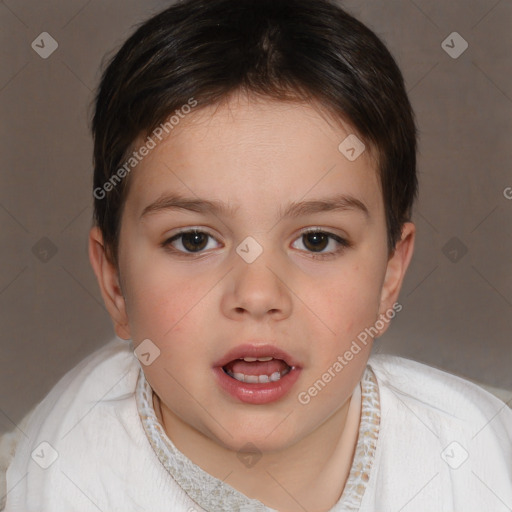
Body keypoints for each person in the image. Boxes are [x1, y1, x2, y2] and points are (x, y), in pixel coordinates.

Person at [2, 0, 511, 510]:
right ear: (115, 282)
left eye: (317, 240)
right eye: (194, 240)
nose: (258, 295)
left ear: (389, 276)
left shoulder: (475, 460)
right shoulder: (63, 478)